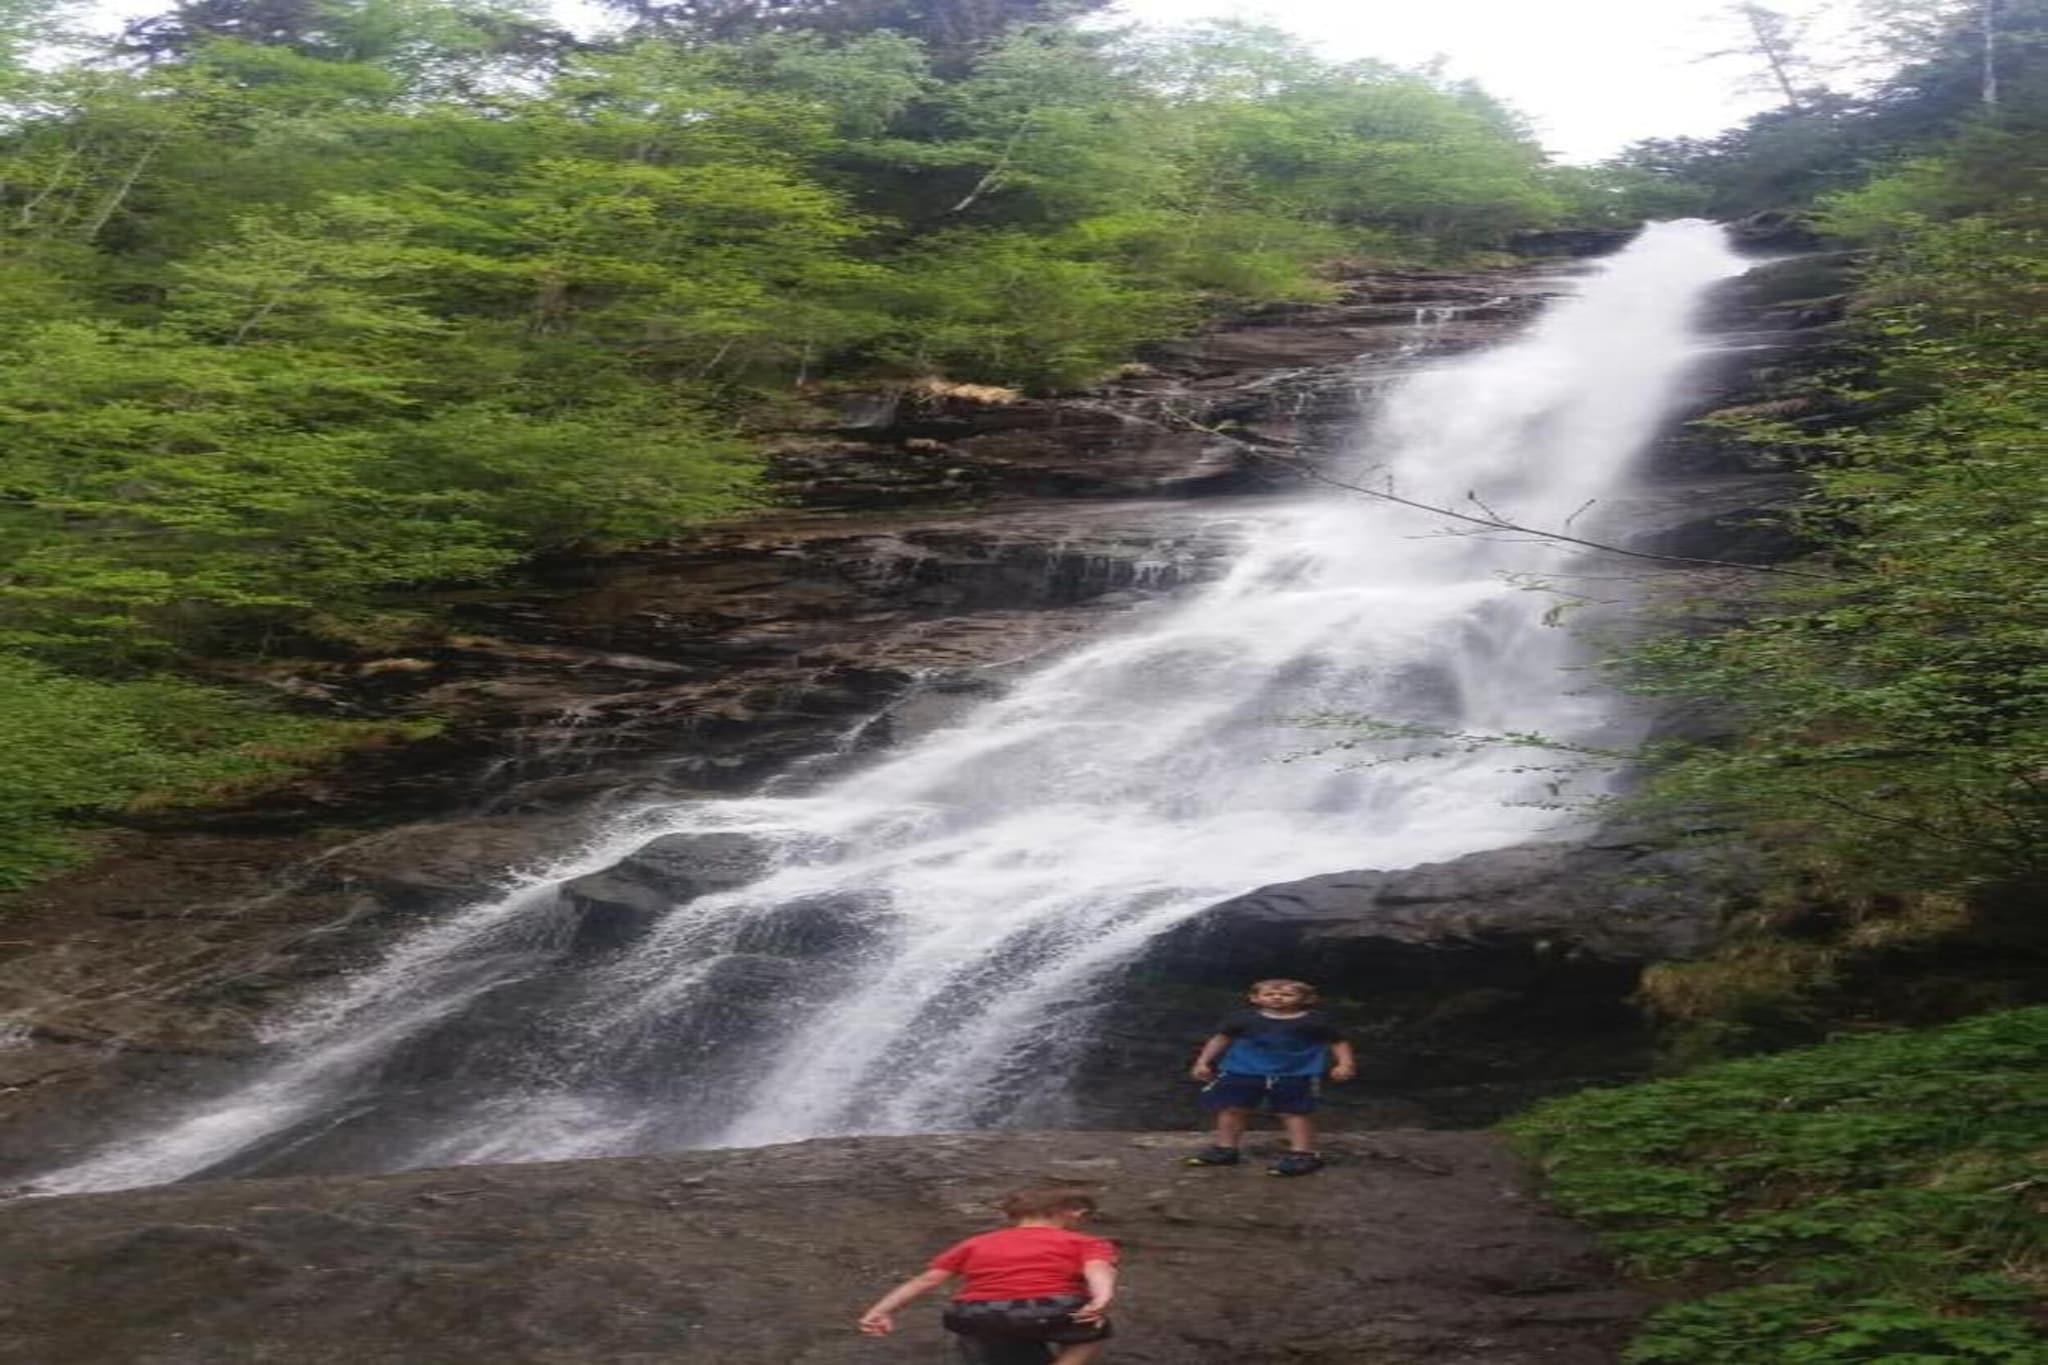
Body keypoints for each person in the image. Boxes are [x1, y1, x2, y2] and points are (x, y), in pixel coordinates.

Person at [857, 1186, 1118, 1364]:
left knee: (989, 1343)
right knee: (1092, 1332)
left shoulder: (976, 1243)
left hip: (976, 1313)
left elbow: (927, 1280)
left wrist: (881, 1310)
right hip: (1050, 1308)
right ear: (1073, 1212)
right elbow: (1097, 1268)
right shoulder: (1084, 1242)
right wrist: (1101, 1298)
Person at [1185, 977, 1355, 1176]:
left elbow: (1338, 1042)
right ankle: (1225, 1149)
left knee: (1294, 1113)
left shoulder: (1315, 1021)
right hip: (1242, 1070)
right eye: (1269, 994)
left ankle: (1303, 1154)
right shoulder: (1242, 1018)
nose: (1277, 997)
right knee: (1231, 1109)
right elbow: (1220, 1039)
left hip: (1295, 1073)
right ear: (1254, 998)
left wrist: (1345, 1063)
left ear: (1307, 999)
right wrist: (1203, 1062)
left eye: (1287, 994)